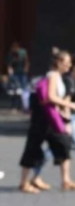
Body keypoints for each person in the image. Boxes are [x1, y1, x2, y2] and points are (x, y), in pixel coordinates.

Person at [18, 49, 75, 193]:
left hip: (51, 118)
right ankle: (24, 183)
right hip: (43, 119)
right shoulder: (54, 76)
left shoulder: (58, 76)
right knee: (33, 147)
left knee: (63, 145)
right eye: (67, 63)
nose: (69, 66)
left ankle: (66, 180)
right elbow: (50, 97)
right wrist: (69, 104)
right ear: (59, 62)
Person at [7, 41, 30, 111]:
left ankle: (22, 105)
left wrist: (26, 69)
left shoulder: (23, 53)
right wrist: (10, 72)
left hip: (22, 73)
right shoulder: (11, 54)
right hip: (15, 74)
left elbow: (27, 62)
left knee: (22, 90)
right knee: (14, 90)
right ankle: (14, 105)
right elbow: (9, 65)